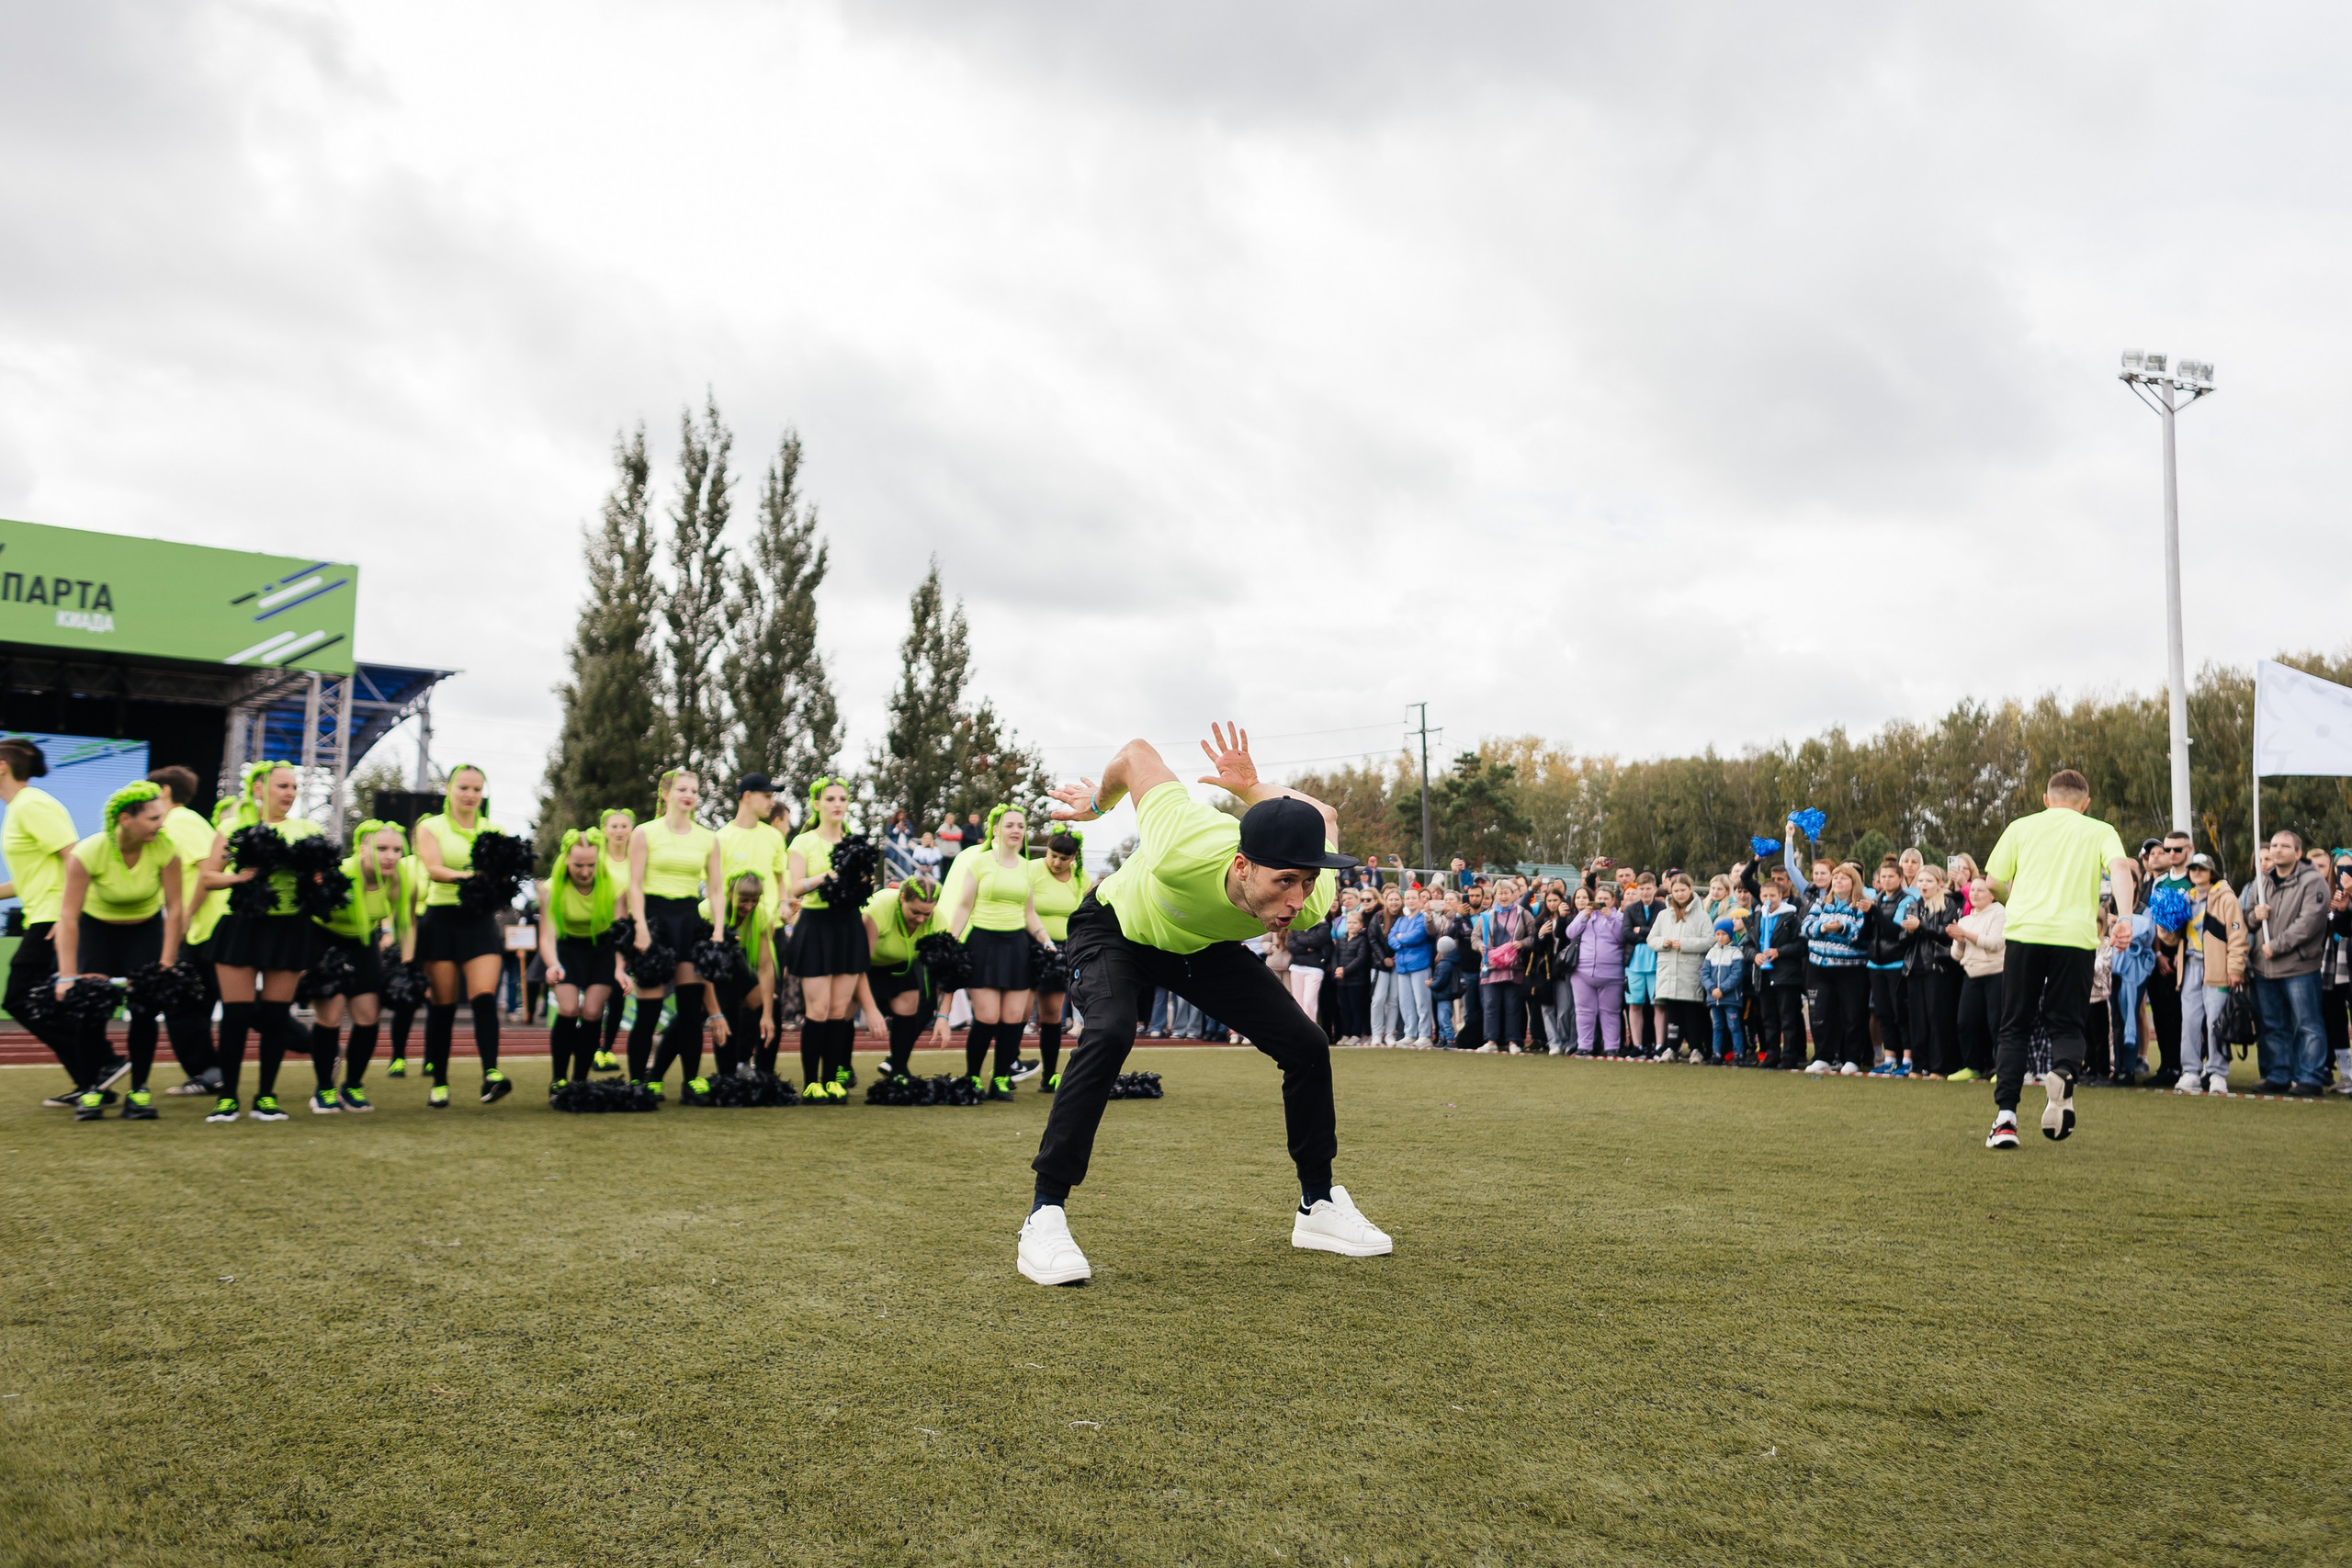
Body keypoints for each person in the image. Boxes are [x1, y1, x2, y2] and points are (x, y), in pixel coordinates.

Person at [1014, 724, 1393, 1287]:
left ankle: (1317, 1204)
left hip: (1199, 946)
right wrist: (1096, 806)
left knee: (1307, 1046)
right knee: (1111, 1031)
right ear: (1242, 866)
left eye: (1308, 880)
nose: (1297, 899)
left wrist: (1252, 789)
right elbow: (1137, 753)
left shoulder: (1309, 900)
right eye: (1284, 881)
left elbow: (1326, 814)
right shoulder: (1180, 841)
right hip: (1117, 930)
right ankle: (1044, 1213)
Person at [1981, 768, 2137, 1150]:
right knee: (2068, 1025)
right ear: (2086, 804)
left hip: (2025, 933)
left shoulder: (2021, 827)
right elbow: (2121, 868)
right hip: (2075, 938)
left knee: (2014, 1026)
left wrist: (2014, 900)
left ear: (2046, 799)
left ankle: (2006, 1120)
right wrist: (2125, 918)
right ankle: (2064, 1071)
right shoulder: (2099, 829)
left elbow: (1993, 882)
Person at [197, 761, 325, 1122]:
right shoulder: (233, 827)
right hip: (242, 925)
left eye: (294, 787)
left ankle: (266, 1097)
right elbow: (208, 877)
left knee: (275, 1017)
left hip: (289, 928)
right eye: (283, 785)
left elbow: (322, 880)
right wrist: (240, 878)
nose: (290, 793)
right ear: (258, 789)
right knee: (236, 1015)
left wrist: (316, 878)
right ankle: (228, 1098)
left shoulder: (308, 829)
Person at [53, 783, 187, 1119]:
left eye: (162, 817)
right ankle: (90, 1091)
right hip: (97, 931)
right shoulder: (87, 853)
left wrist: (167, 961)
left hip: (144, 930)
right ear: (126, 819)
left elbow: (175, 908)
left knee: (144, 1010)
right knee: (91, 1011)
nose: (161, 824)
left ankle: (139, 1091)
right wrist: (68, 975)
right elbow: (68, 917)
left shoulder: (165, 848)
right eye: (153, 818)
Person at [0, 739, 115, 1106]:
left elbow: (74, 857)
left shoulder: (31, 804)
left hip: (53, 917)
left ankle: (102, 1064)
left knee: (20, 998)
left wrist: (68, 916)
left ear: (3, 766)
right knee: (52, 1000)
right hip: (46, 913)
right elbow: (31, 877)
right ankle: (93, 1077)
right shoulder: (21, 808)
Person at [412, 763, 518, 1109]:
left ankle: (491, 1075)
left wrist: (503, 880)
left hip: (479, 921)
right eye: (463, 788)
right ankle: (440, 1083)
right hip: (441, 919)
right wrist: (473, 878)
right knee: (442, 1006)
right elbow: (433, 868)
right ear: (448, 789)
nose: (470, 795)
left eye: (476, 789)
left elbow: (504, 874)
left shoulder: (493, 829)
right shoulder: (431, 826)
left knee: (484, 997)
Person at [945, 804, 1056, 1100]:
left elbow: (1029, 912)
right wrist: (951, 941)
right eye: (1009, 825)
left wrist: (1046, 941)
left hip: (1017, 947)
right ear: (996, 830)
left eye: (1020, 826)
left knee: (1013, 1018)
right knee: (987, 1017)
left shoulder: (1027, 867)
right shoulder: (980, 863)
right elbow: (964, 906)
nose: (1015, 830)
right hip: (982, 944)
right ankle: (972, 1077)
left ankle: (1001, 1079)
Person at [305, 820, 415, 1113]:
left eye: (397, 850)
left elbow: (407, 924)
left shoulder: (400, 879)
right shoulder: (340, 873)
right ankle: (324, 1089)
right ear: (362, 849)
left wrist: (408, 965)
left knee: (368, 1016)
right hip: (325, 940)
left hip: (364, 943)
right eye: (382, 848)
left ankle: (353, 1086)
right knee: (330, 1017)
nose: (390, 856)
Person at [782, 776, 867, 1102]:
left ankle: (831, 1081)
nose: (837, 804)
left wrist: (863, 883)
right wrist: (826, 877)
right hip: (816, 926)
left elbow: (865, 884)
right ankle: (810, 1083)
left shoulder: (856, 842)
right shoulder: (803, 842)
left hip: (848, 926)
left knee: (838, 1010)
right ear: (816, 804)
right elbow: (794, 887)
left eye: (842, 799)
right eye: (830, 799)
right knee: (817, 1010)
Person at [149, 766, 221, 1096]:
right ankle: (209, 1073)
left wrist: (186, 915)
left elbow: (207, 870)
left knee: (239, 1006)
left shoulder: (180, 822)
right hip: (201, 932)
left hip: (209, 929)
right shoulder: (182, 822)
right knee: (186, 1004)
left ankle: (314, 1044)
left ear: (164, 791)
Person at [536, 826, 625, 1093]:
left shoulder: (615, 886)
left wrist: (620, 969)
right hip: (566, 949)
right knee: (568, 1009)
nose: (585, 872)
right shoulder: (551, 888)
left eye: (591, 865)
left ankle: (580, 1081)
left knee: (593, 1012)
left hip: (602, 949)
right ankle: (558, 1079)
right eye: (578, 865)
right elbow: (547, 936)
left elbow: (620, 935)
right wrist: (553, 964)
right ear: (566, 860)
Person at [2243, 829, 2329, 1096]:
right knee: (2272, 1025)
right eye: (2275, 845)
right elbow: (2247, 917)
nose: (2277, 850)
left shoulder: (2313, 882)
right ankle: (2278, 1074)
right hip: (2265, 968)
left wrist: (2277, 946)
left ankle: (2310, 1077)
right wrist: (2255, 916)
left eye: (2285, 846)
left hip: (2298, 967)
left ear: (2298, 853)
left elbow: (2309, 923)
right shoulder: (2262, 881)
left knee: (2307, 1024)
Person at [864, 874, 949, 1079]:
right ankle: (842, 1069)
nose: (920, 919)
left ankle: (898, 1066)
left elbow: (948, 975)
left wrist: (943, 1016)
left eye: (926, 914)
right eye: (915, 912)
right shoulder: (878, 909)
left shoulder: (939, 921)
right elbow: (858, 965)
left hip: (901, 962)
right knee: (843, 1011)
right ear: (902, 898)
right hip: (863, 964)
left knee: (913, 1005)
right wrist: (871, 1010)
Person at [2175, 852, 2245, 1095]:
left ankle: (2217, 1072)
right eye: (2193, 868)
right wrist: (2166, 924)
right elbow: (2173, 938)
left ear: (2211, 872)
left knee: (2216, 1021)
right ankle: (2191, 1071)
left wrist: (2235, 967)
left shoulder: (2226, 898)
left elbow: (2237, 934)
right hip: (2191, 967)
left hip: (2217, 968)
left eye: (2202, 869)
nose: (2197, 872)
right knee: (2190, 1021)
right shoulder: (2185, 899)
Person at [1029, 829, 1093, 1089]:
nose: (1056, 862)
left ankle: (1049, 1076)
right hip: (1029, 945)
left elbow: (1089, 908)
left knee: (1052, 1014)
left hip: (1062, 951)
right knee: (1017, 1013)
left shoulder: (1081, 876)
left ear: (1074, 856)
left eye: (1064, 858)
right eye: (1052, 855)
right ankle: (1006, 1069)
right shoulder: (1032, 869)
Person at [700, 869, 777, 1084]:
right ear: (730, 894)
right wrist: (713, 1011)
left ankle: (762, 1074)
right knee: (718, 1011)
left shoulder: (761, 914)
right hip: (704, 964)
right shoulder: (708, 910)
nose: (749, 906)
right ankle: (726, 1076)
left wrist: (768, 1015)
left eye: (754, 900)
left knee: (771, 1004)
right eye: (743, 900)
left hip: (736, 960)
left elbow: (765, 967)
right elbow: (704, 963)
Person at [1801, 863, 1871, 1075]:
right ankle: (1823, 1057)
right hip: (1818, 967)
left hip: (1850, 969)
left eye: (1844, 878)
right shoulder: (1821, 903)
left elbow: (1861, 934)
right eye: (1836, 877)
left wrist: (1842, 927)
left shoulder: (1862, 905)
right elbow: (1805, 927)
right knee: (1820, 1014)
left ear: (1854, 882)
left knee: (1852, 1015)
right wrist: (1823, 927)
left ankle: (1852, 1058)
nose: (1838, 881)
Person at [1902, 864, 1963, 1079]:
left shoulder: (1948, 904)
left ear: (1940, 883)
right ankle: (1919, 1065)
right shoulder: (1912, 905)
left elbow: (1947, 933)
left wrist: (1920, 927)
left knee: (1938, 1018)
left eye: (1928, 881)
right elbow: (1903, 939)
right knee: (1917, 1020)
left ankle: (1939, 1066)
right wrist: (1909, 932)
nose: (1923, 885)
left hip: (1938, 968)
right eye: (1920, 881)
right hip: (1914, 968)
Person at [1861, 860, 1918, 1074]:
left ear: (1900, 878)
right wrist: (1867, 914)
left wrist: (1874, 911)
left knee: (1900, 1013)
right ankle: (1890, 1058)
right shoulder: (1876, 899)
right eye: (1883, 877)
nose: (1886, 880)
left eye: (1891, 876)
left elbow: (1894, 931)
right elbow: (1867, 933)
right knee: (1883, 1013)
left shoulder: (1907, 900)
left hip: (1896, 963)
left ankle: (1907, 1059)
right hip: (1875, 965)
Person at [1948, 874, 2007, 1082]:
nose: (1975, 894)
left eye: (1981, 890)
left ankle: (2002, 1069)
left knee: (1996, 1023)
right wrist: (1960, 940)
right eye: (1972, 890)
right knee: (1966, 1022)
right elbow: (1956, 955)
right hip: (1971, 975)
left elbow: (1995, 943)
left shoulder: (1999, 912)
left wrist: (1965, 934)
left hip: (1996, 974)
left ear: (1992, 895)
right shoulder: (1965, 919)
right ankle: (1972, 1066)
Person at [1646, 873, 1710, 1061]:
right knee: (1672, 1012)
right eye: (1676, 891)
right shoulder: (1664, 915)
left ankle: (1695, 1049)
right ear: (1671, 892)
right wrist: (1663, 942)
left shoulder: (1701, 916)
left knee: (1692, 1012)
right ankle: (1672, 1048)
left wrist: (1685, 944)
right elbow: (1651, 939)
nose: (1680, 894)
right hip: (1668, 971)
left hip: (1690, 971)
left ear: (1690, 889)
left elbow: (1709, 940)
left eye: (1683, 890)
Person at [591, 807, 637, 1073]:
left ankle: (605, 1049)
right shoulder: (596, 860)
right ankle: (591, 1047)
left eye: (624, 826)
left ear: (632, 830)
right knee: (598, 992)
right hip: (597, 934)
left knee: (619, 995)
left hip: (625, 936)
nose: (619, 831)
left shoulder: (637, 861)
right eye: (614, 826)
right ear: (604, 830)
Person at [1749, 877, 1807, 1069]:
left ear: (1781, 896)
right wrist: (1754, 955)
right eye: (1765, 895)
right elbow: (1748, 945)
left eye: (1772, 895)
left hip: (1786, 975)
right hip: (1763, 975)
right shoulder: (1757, 917)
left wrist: (1779, 952)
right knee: (1769, 1017)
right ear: (1760, 897)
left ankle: (1790, 1055)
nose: (1768, 899)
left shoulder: (1791, 917)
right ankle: (1772, 1053)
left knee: (1787, 1017)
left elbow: (1801, 945)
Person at [1565, 882, 1624, 1055]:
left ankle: (1612, 1047)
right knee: (1583, 1011)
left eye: (1606, 899)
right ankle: (1584, 1046)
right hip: (1582, 972)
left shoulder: (1619, 917)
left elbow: (1622, 937)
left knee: (1610, 1012)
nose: (1602, 902)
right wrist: (1584, 916)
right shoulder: (1584, 914)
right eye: (1599, 899)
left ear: (1613, 901)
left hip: (1612, 974)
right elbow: (1570, 933)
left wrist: (1610, 918)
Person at [1388, 886, 1436, 1046]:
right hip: (1402, 966)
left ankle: (1424, 1035)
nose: (1410, 901)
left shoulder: (1423, 918)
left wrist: (1400, 938)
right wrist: (1400, 941)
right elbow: (1391, 938)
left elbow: (1417, 936)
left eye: (1413, 898)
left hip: (1420, 964)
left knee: (1422, 1001)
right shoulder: (1400, 921)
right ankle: (1410, 1033)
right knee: (1406, 1002)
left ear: (1420, 900)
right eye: (1408, 898)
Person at [1701, 918, 1747, 1064]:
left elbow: (1736, 975)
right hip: (1714, 998)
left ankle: (1738, 1054)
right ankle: (1716, 1053)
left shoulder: (1736, 952)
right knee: (1717, 1026)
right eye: (1718, 934)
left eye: (1724, 934)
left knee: (1734, 1026)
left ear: (1730, 934)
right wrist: (1712, 988)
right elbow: (1704, 973)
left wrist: (1722, 989)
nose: (1720, 937)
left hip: (1730, 997)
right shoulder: (1711, 952)